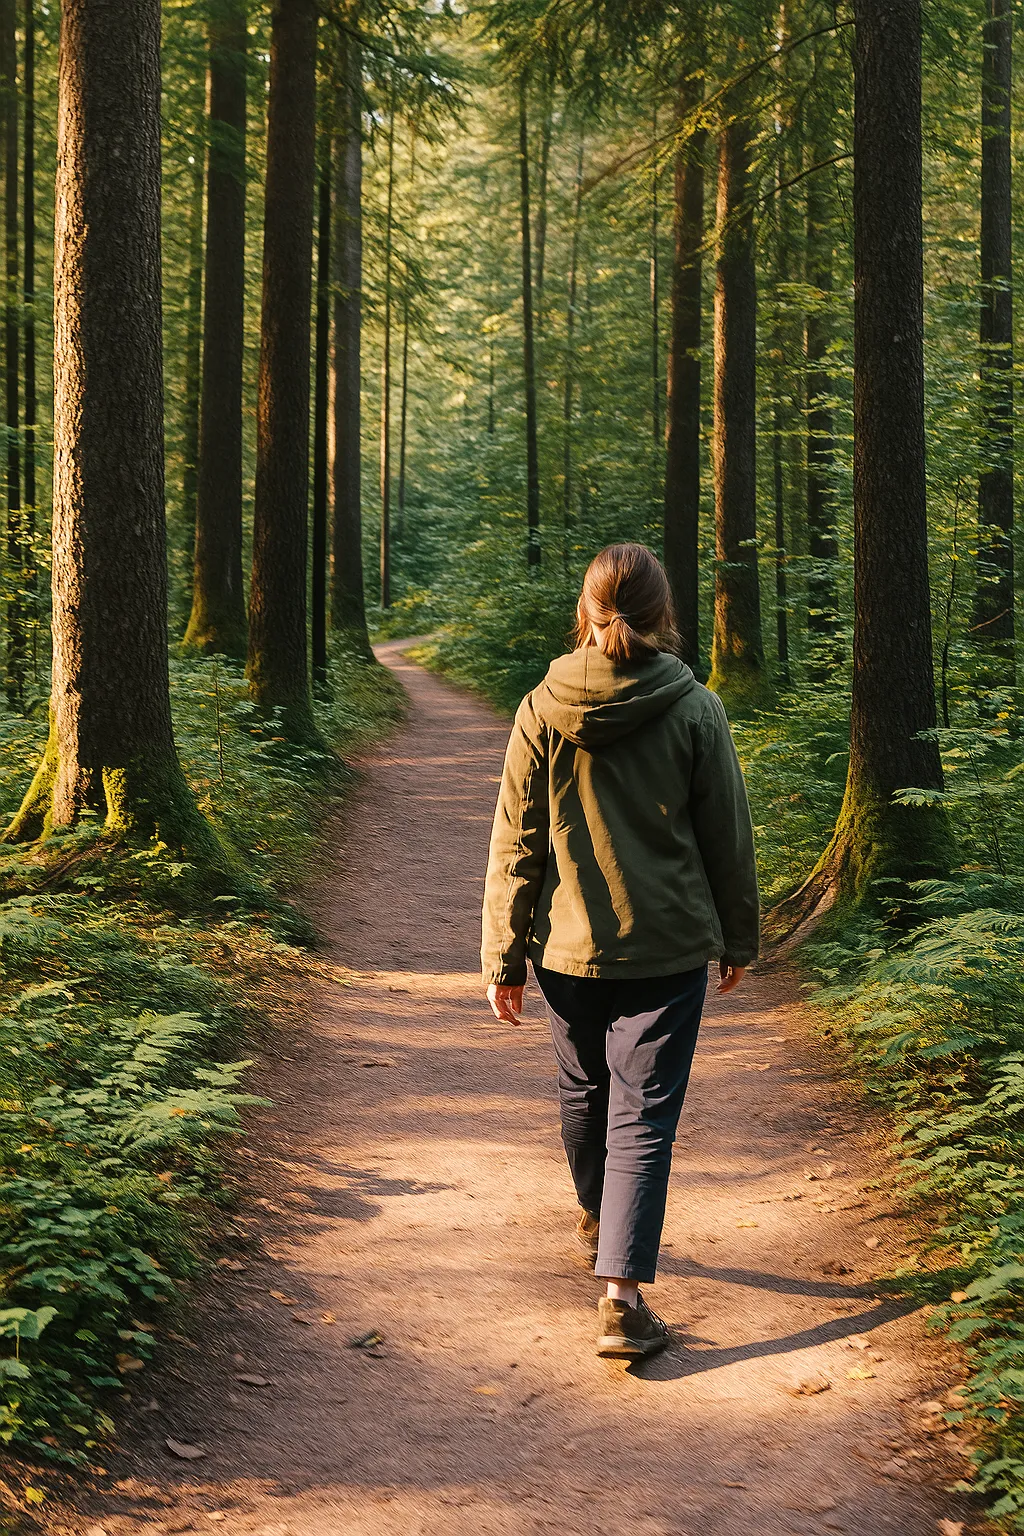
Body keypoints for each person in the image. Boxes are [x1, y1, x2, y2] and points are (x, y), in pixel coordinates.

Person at [481, 542, 759, 1359]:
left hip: (565, 953)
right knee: (642, 1116)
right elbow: (727, 836)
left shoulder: (541, 705)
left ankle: (603, 1221)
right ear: (663, 614)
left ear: (588, 608)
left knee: (583, 1093)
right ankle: (621, 1297)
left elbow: (515, 842)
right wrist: (739, 936)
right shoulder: (694, 706)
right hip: (667, 950)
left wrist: (504, 955)